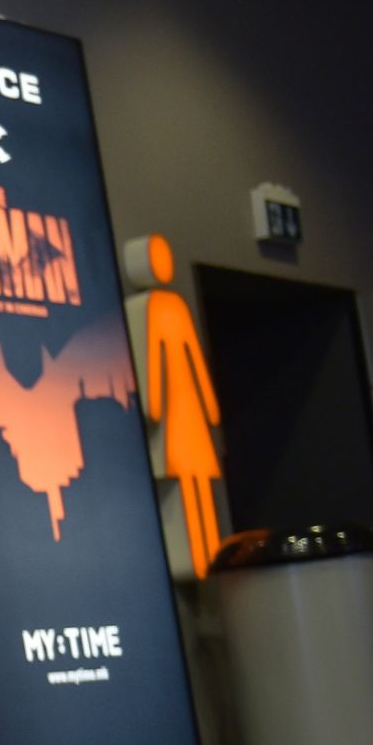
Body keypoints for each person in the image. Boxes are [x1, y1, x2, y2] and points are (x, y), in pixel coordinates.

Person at [139, 234, 223, 578]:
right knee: (185, 486)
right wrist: (153, 405)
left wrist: (210, 406)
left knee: (199, 479)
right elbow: (151, 359)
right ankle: (199, 554)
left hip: (188, 412)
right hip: (174, 416)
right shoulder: (151, 308)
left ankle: (210, 553)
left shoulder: (174, 306)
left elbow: (194, 357)